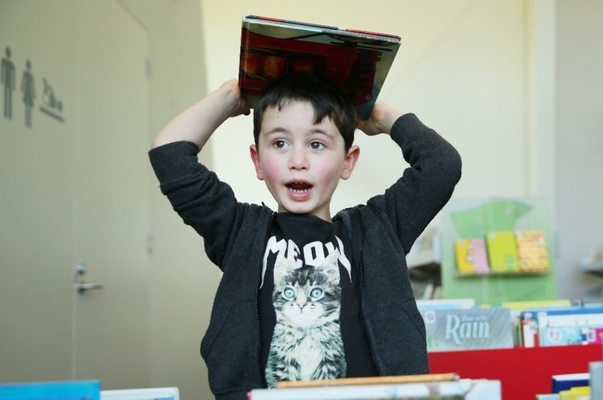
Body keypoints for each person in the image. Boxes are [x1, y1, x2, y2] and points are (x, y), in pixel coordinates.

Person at [149, 73, 462, 399]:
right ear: (258, 161)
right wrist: (230, 97)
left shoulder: (379, 229)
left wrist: (377, 112)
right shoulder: (239, 231)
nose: (298, 162)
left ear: (347, 161)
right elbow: (169, 155)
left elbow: (441, 165)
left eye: (316, 144)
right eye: (280, 143)